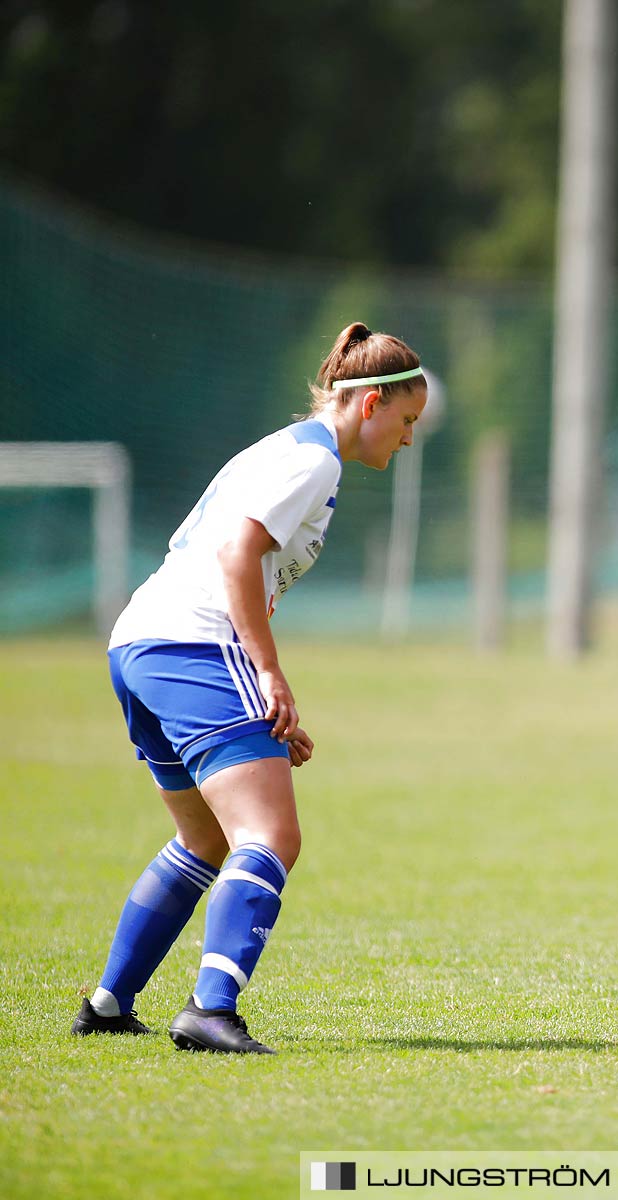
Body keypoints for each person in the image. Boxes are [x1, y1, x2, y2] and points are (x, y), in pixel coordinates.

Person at [71, 323, 428, 1054]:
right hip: (193, 645)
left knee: (203, 837)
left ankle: (109, 1002)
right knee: (270, 836)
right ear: (369, 405)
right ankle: (210, 1010)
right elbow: (237, 556)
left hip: (142, 642)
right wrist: (267, 674)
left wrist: (265, 697)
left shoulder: (288, 448)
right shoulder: (315, 461)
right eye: (407, 420)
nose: (410, 438)